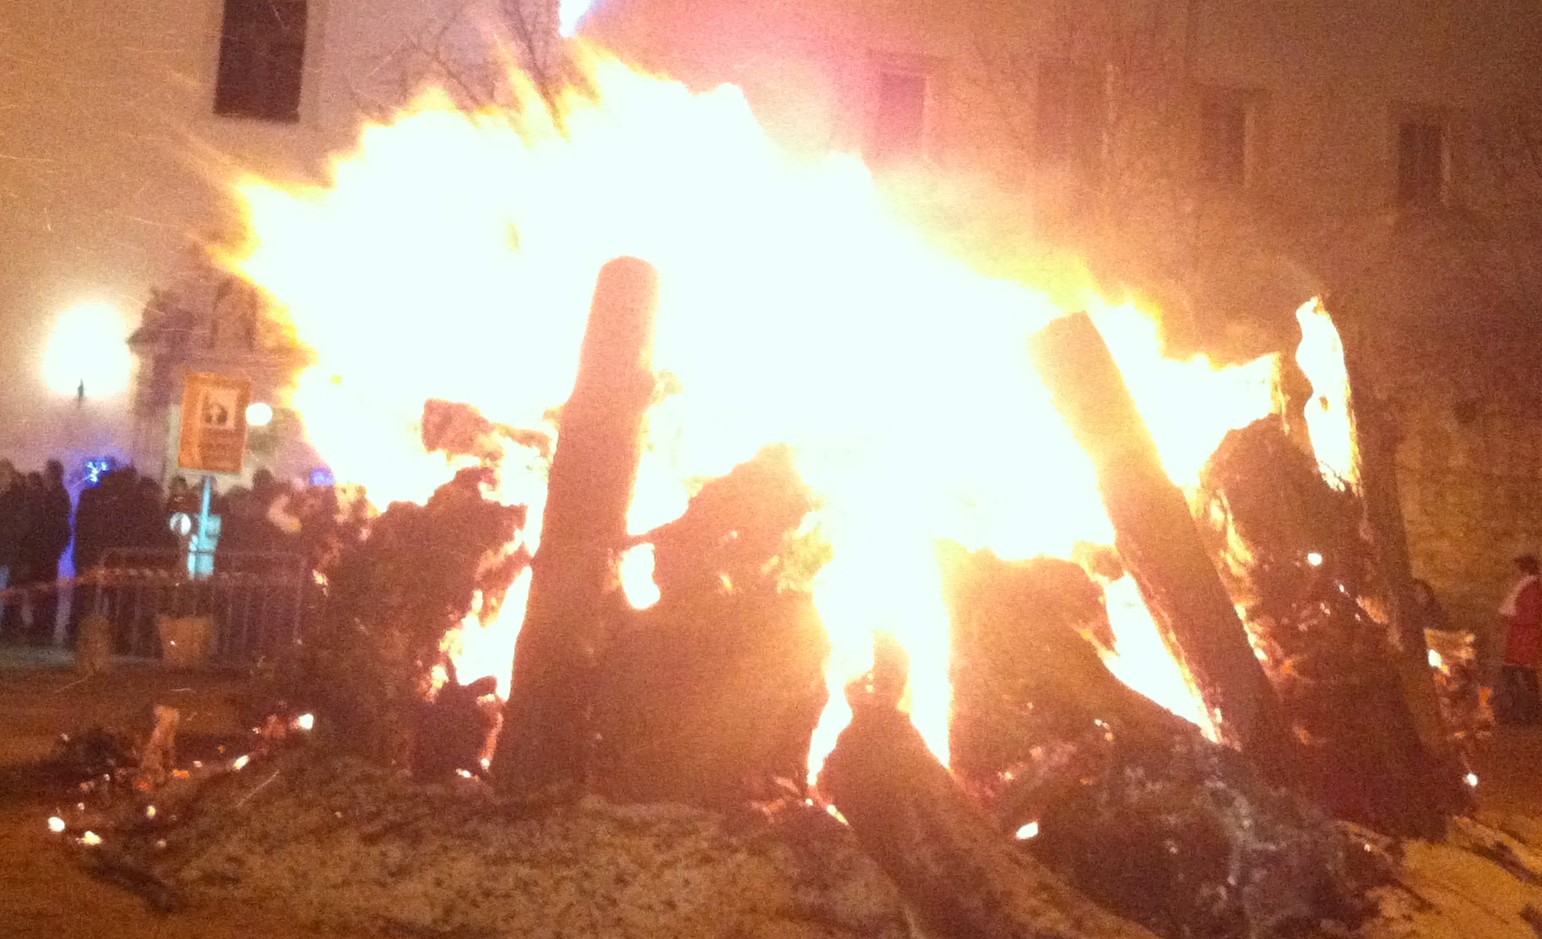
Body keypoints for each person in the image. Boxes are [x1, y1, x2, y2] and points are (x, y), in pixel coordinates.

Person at [1498, 554, 1542, 725]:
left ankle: (1527, 715)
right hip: (1520, 638)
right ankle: (1524, 713)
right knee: (1521, 676)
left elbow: (1530, 617)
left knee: (1522, 676)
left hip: (1525, 640)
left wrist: (1509, 619)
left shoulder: (1532, 589)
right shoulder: (1527, 586)